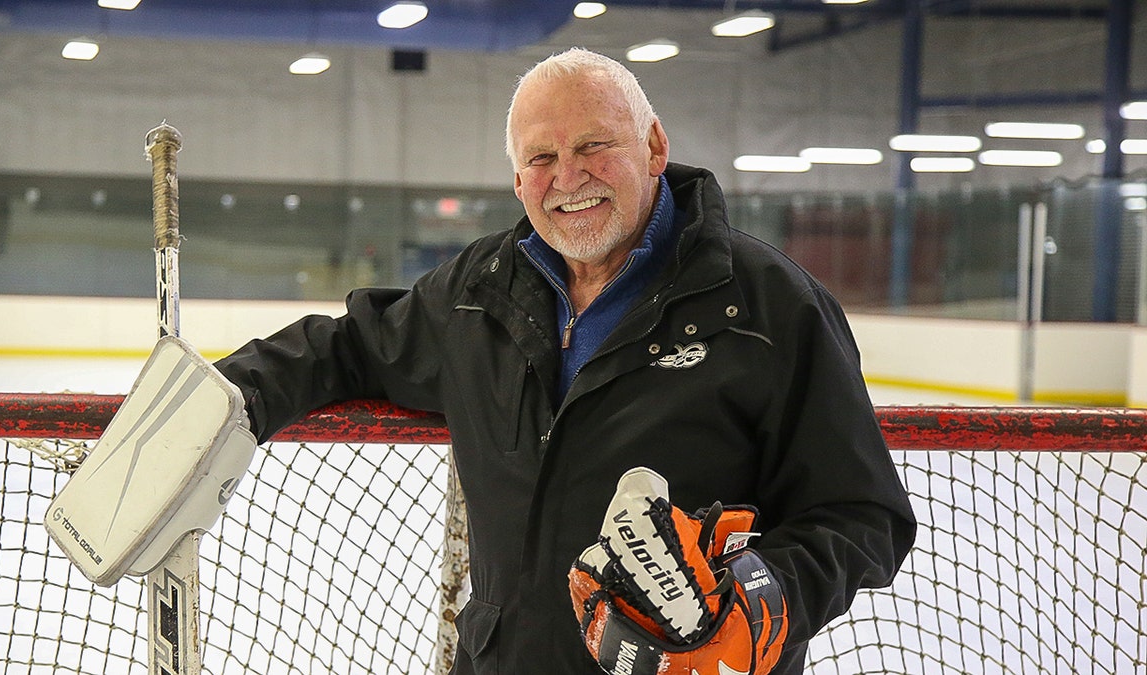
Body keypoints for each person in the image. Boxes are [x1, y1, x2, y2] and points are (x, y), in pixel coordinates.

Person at [215, 47, 916, 674]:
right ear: (518, 179)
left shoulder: (769, 308)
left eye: (594, 145)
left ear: (654, 145)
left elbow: (862, 515)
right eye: (541, 157)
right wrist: (226, 398)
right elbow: (351, 346)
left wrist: (762, 598)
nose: (569, 176)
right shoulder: (479, 292)